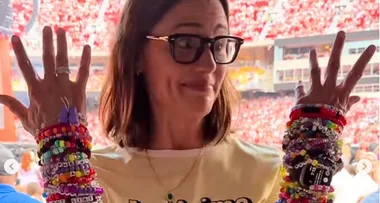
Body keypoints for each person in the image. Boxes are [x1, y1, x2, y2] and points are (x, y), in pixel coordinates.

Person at [0, 0, 376, 202]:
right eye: (186, 43)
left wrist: (311, 166)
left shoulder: (270, 172)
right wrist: (63, 159)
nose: (210, 64)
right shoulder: (90, 175)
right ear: (136, 57)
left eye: (220, 43)